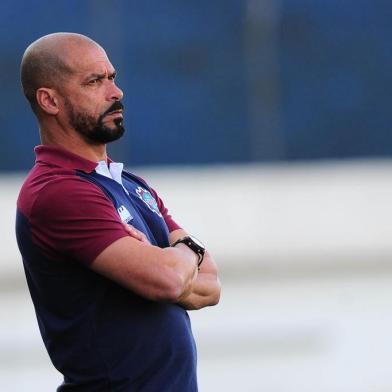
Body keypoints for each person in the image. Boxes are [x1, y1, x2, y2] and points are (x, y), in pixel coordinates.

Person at [16, 32, 221, 392]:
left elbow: (211, 286)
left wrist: (170, 259)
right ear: (50, 100)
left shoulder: (130, 183)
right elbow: (170, 281)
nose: (116, 92)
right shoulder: (59, 191)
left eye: (112, 77)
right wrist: (182, 255)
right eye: (95, 81)